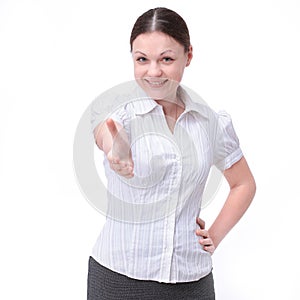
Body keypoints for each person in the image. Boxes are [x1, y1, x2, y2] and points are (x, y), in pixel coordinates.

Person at [88, 7, 256, 300]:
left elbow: (243, 184)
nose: (153, 72)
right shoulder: (117, 114)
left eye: (166, 59)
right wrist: (117, 150)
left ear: (188, 56)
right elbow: (106, 135)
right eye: (142, 60)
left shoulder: (209, 122)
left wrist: (213, 236)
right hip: (119, 280)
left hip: (192, 281)